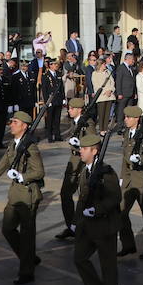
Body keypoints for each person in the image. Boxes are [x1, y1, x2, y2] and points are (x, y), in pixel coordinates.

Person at [0, 111, 44, 285]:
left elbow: (39, 172)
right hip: (15, 194)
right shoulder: (13, 145)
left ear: (24, 126)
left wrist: (21, 176)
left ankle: (26, 272)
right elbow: (1, 166)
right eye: (12, 122)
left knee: (28, 235)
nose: (11, 125)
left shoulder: (30, 147)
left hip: (28, 195)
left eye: (15, 122)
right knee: (7, 229)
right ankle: (28, 257)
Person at [72, 133, 121, 285]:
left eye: (84, 149)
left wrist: (97, 209)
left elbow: (115, 197)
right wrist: (75, 222)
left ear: (95, 151)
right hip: (87, 225)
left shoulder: (106, 172)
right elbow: (82, 199)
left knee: (108, 266)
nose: (81, 152)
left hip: (105, 225)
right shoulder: (86, 171)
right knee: (79, 258)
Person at [117, 106, 143, 259]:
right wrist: (122, 177)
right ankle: (128, 245)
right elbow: (124, 157)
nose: (125, 119)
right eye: (125, 117)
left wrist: (141, 159)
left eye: (128, 117)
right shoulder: (128, 133)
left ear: (137, 119)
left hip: (141, 179)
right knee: (121, 212)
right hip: (128, 179)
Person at [56, 97, 99, 241]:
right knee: (65, 194)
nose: (69, 110)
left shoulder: (88, 123)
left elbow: (94, 143)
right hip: (74, 160)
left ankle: (81, 227)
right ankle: (72, 227)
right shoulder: (75, 121)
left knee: (84, 197)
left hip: (83, 162)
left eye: (72, 108)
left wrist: (80, 143)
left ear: (79, 109)